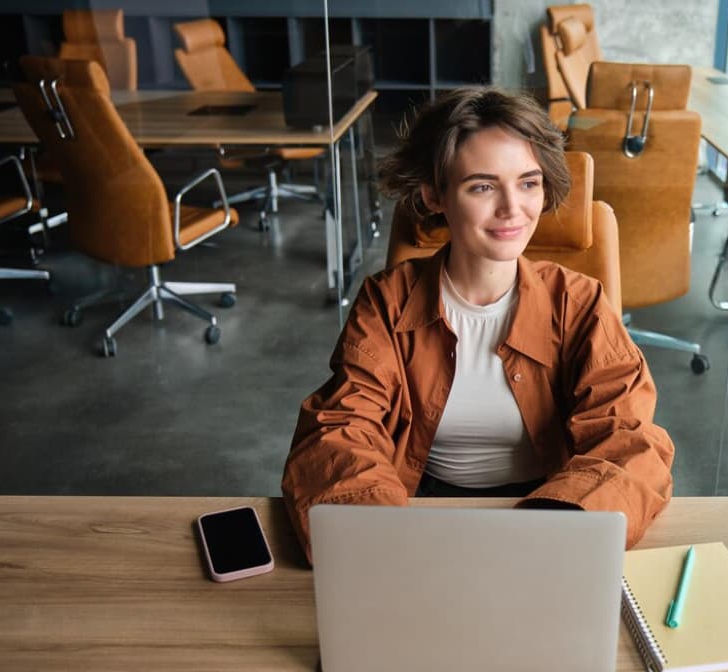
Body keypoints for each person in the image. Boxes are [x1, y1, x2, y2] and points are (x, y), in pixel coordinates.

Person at [282, 87, 674, 562]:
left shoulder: (581, 302)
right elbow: (339, 431)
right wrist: (386, 543)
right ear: (434, 195)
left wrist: (554, 535)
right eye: (483, 187)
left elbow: (629, 441)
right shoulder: (386, 301)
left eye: (528, 182)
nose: (513, 208)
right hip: (416, 512)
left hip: (554, 510)